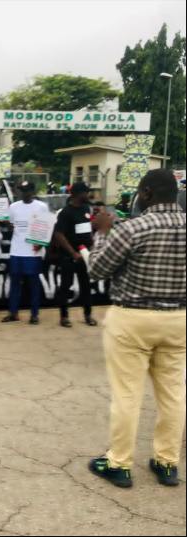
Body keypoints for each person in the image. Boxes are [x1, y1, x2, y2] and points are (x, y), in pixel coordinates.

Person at [87, 169, 186, 489]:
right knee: (173, 394)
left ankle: (119, 463)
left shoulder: (134, 228)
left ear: (146, 194)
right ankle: (167, 462)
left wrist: (102, 233)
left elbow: (97, 269)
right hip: (179, 319)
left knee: (127, 395)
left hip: (133, 318)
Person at [2, 181, 50, 325]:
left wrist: (41, 244)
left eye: (26, 191)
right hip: (16, 250)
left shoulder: (41, 207)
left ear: (32, 192)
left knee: (33, 285)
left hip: (32, 252)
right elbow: (11, 226)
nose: (23, 193)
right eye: (22, 190)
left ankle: (34, 314)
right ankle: (13, 313)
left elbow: (46, 226)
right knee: (14, 283)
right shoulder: (14, 207)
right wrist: (7, 225)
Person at [54, 182, 97, 328]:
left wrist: (93, 244)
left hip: (85, 255)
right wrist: (72, 253)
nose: (88, 195)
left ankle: (88, 315)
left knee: (86, 285)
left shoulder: (85, 209)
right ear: (78, 194)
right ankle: (64, 316)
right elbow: (59, 234)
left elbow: (88, 229)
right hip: (69, 256)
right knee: (66, 285)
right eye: (86, 192)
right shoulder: (66, 212)